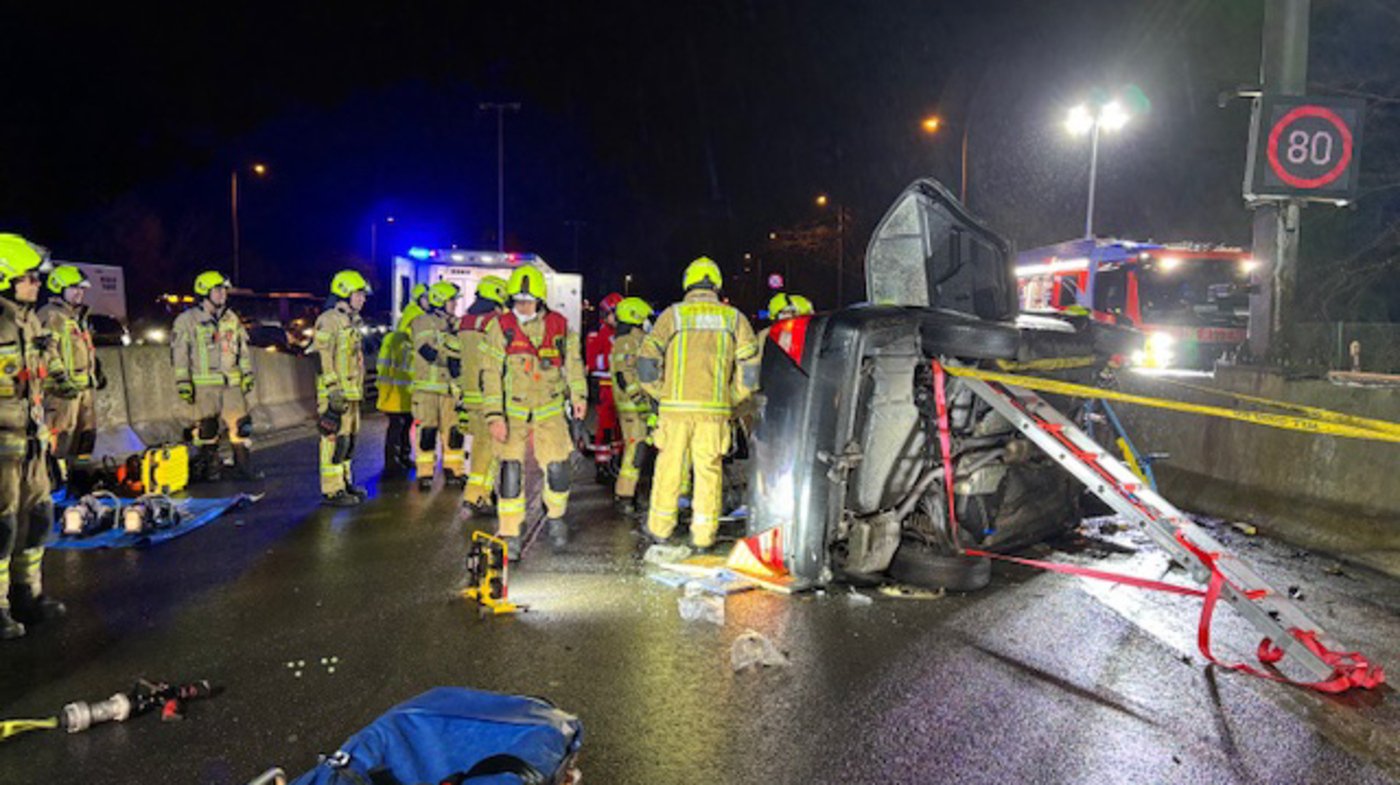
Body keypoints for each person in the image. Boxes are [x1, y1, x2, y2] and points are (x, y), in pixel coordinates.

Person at [638, 256, 758, 551]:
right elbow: (750, 370)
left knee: (669, 470)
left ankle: (660, 531)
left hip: (674, 412)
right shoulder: (734, 319)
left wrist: (661, 393)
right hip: (713, 414)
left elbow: (646, 362)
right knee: (708, 474)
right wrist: (729, 398)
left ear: (687, 283)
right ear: (716, 284)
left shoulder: (672, 315)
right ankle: (703, 537)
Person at [479, 264, 586, 551]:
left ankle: (555, 517)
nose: (522, 306)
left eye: (527, 301)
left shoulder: (560, 326)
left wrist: (579, 397)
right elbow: (490, 373)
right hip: (512, 414)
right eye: (517, 301)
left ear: (540, 299)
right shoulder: (499, 328)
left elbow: (574, 364)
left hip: (550, 410)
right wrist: (493, 416)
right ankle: (511, 532)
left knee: (558, 470)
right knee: (510, 472)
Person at [0, 234, 67, 639]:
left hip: (32, 442)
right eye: (30, 278)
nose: (37, 285)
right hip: (2, 444)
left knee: (39, 517)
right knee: (1, 525)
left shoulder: (32, 320)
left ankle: (29, 594)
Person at [171, 270, 260, 481]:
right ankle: (210, 469)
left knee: (241, 428)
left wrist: (247, 374)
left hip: (232, 384)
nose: (223, 294)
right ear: (204, 292)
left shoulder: (231, 319)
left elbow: (242, 350)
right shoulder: (187, 321)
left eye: (224, 290)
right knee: (207, 429)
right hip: (204, 387)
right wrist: (183, 383)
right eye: (218, 290)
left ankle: (243, 468)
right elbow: (180, 355)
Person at [39, 265, 104, 486]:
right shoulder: (51, 315)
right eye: (74, 288)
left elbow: (82, 349)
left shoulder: (77, 317)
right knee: (60, 440)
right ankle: (54, 485)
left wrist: (97, 370)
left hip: (83, 389)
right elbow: (48, 351)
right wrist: (60, 378)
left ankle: (80, 484)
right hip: (60, 393)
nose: (80, 292)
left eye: (82, 289)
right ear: (59, 289)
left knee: (85, 438)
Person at [314, 270, 372, 506]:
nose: (363, 299)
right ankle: (332, 489)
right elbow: (321, 356)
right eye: (359, 294)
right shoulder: (328, 320)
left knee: (348, 440)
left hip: (350, 393)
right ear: (345, 294)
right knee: (333, 440)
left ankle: (344, 482)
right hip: (335, 393)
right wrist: (332, 388)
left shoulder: (352, 321)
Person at [458, 275, 508, 515]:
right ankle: (478, 496)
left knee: (480, 446)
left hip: (469, 394)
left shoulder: (464, 322)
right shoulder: (494, 323)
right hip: (488, 394)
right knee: (489, 450)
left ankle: (479, 493)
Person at [410, 281, 464, 490]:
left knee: (454, 432)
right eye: (452, 301)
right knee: (427, 432)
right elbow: (427, 351)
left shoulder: (458, 324)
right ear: (440, 301)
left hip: (451, 391)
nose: (455, 305)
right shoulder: (421, 322)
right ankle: (425, 473)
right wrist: (451, 355)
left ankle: (454, 471)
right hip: (427, 390)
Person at [608, 296, 654, 514]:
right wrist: (639, 401)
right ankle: (625, 495)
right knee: (635, 449)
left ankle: (631, 493)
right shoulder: (626, 342)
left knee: (641, 450)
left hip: (637, 406)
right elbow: (623, 375)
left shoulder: (638, 340)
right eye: (645, 318)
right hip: (632, 407)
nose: (648, 322)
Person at [376, 283, 428, 476]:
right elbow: (385, 366)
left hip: (405, 391)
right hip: (394, 392)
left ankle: (404, 457)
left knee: (405, 425)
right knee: (396, 427)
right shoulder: (398, 339)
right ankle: (392, 462)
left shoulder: (407, 338)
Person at [585, 293, 623, 480]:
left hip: (620, 388)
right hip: (605, 386)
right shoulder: (598, 334)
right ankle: (602, 464)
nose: (616, 318)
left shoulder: (623, 333)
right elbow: (594, 362)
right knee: (605, 427)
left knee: (619, 427)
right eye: (614, 314)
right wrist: (613, 362)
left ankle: (616, 460)